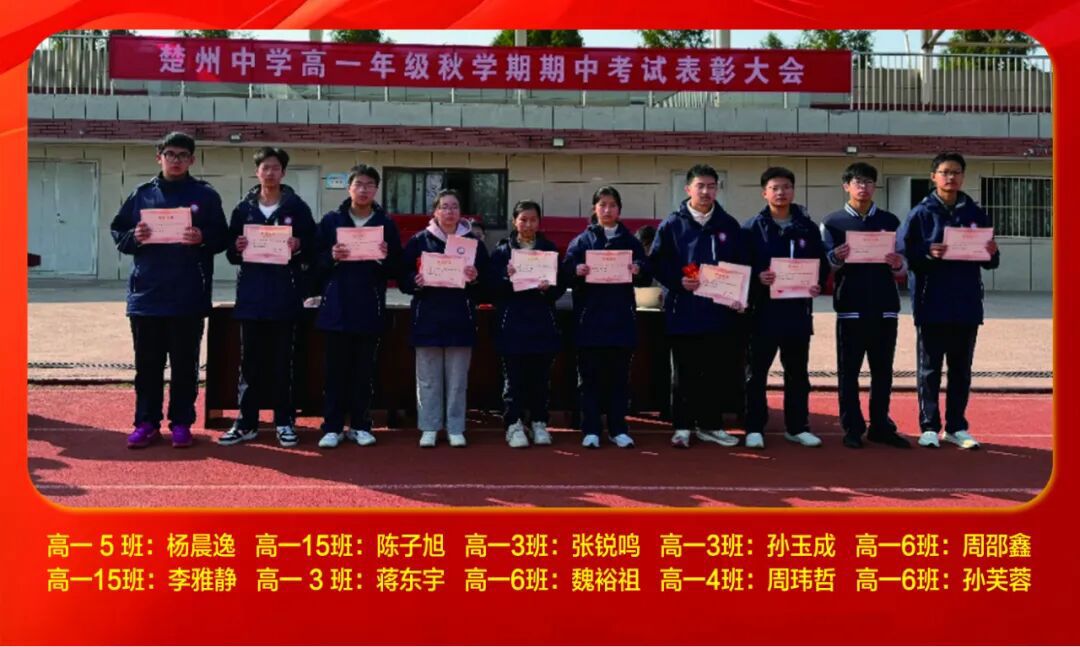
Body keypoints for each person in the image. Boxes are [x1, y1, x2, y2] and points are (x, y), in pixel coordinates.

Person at [109, 131, 228, 449]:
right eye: (170, 154)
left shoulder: (205, 195)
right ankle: (146, 423)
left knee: (185, 366)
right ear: (159, 157)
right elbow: (119, 232)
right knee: (147, 366)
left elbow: (223, 236)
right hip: (147, 295)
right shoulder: (142, 194)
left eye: (182, 155)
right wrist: (135, 236)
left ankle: (181, 423)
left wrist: (202, 237)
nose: (176, 160)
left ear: (192, 160)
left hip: (188, 295)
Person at [898, 152, 1000, 450]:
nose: (950, 177)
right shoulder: (920, 213)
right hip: (932, 301)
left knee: (961, 370)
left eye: (956, 172)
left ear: (963, 177)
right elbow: (904, 255)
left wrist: (992, 253)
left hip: (966, 302)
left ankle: (956, 426)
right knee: (929, 369)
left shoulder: (975, 213)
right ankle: (929, 426)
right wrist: (928, 253)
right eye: (945, 172)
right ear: (934, 177)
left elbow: (991, 263)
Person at [217, 147, 316, 448]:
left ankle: (284, 422)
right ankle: (246, 422)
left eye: (275, 168)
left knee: (283, 363)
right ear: (257, 172)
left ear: (283, 172)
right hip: (251, 296)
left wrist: (299, 245)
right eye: (265, 168)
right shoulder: (243, 208)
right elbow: (231, 253)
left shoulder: (297, 207)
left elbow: (313, 247)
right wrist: (236, 246)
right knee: (250, 363)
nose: (270, 173)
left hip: (285, 296)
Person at [650, 164, 746, 449]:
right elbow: (657, 263)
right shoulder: (672, 224)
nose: (705, 192)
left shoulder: (728, 225)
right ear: (688, 189)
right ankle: (682, 427)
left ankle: (710, 425)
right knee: (683, 372)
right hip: (684, 311)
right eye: (700, 186)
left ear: (717, 189)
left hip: (718, 313)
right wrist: (677, 281)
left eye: (711, 186)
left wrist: (739, 294)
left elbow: (741, 264)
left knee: (715, 372)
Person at [821, 162, 910, 449]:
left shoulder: (890, 221)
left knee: (883, 371)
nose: (864, 187)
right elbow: (823, 266)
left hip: (885, 306)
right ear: (846, 186)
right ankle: (852, 426)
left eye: (869, 182)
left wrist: (898, 264)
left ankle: (880, 425)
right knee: (849, 371)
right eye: (858, 182)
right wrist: (835, 257)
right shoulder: (833, 222)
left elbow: (903, 265)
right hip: (850, 306)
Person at [313, 164, 402, 449]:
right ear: (349, 187)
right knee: (335, 373)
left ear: (376, 189)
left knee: (364, 372)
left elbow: (397, 267)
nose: (363, 190)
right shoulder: (331, 221)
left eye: (369, 185)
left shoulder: (386, 224)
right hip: (337, 307)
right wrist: (331, 256)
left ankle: (361, 425)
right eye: (358, 184)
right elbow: (314, 263)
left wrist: (384, 258)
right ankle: (332, 427)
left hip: (369, 307)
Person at [743, 167, 829, 450]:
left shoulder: (807, 227)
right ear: (764, 193)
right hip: (762, 313)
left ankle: (797, 427)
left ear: (793, 191)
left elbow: (821, 266)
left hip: (797, 313)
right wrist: (758, 277)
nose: (781, 193)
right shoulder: (751, 228)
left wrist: (816, 284)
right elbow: (740, 267)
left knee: (797, 374)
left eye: (786, 187)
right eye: (775, 188)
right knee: (756, 374)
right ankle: (754, 427)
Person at [562, 186, 652, 449]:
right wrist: (576, 270)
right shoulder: (582, 241)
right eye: (602, 204)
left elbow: (647, 274)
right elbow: (565, 273)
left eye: (612, 205)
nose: (607, 209)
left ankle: (618, 428)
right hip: (589, 321)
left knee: (618, 379)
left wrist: (638, 269)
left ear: (619, 209)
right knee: (589, 380)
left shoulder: (630, 241)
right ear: (595, 209)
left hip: (621, 320)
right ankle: (591, 429)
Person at [399, 189, 489, 448]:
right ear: (435, 212)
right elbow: (402, 276)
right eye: (444, 207)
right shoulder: (420, 240)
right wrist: (414, 280)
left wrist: (476, 278)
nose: (449, 211)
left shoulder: (472, 243)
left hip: (460, 318)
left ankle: (455, 427)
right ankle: (429, 426)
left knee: (457, 380)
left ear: (461, 212)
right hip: (427, 318)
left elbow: (487, 284)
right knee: (428, 378)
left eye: (454, 207)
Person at [489, 201, 567, 448]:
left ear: (539, 222)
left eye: (533, 220)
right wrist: (507, 278)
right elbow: (491, 289)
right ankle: (513, 424)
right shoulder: (502, 251)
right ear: (514, 221)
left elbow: (559, 288)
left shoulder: (548, 249)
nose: (528, 224)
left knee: (540, 379)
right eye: (523, 219)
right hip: (512, 324)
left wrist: (548, 288)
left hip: (541, 324)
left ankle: (539, 422)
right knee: (513, 380)